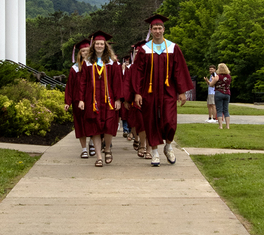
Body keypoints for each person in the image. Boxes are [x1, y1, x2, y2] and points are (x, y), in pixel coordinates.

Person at [131, 13, 192, 167]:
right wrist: (137, 92)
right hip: (149, 92)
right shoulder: (144, 49)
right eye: (154, 28)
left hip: (168, 91)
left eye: (160, 28)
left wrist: (182, 92)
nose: (157, 31)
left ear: (164, 29)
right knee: (151, 121)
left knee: (170, 121)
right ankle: (155, 152)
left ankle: (168, 146)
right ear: (150, 30)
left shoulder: (173, 48)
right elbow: (137, 72)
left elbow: (179, 70)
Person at [76, 30, 124, 166]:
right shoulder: (87, 63)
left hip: (108, 101)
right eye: (97, 43)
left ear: (105, 45)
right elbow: (83, 82)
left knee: (109, 127)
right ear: (93, 46)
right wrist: (81, 99)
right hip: (92, 102)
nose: (99, 46)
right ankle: (99, 157)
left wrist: (118, 99)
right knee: (95, 128)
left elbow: (117, 81)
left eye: (101, 44)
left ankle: (107, 149)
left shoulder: (112, 62)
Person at [65, 40, 93, 158]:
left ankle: (92, 144)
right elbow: (70, 86)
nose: (85, 53)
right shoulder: (75, 68)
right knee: (80, 125)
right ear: (79, 53)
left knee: (92, 123)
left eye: (87, 51)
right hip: (78, 101)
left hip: (91, 99)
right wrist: (68, 101)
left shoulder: (95, 65)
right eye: (82, 51)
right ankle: (84, 149)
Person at [214, 63, 232, 129]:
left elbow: (212, 84)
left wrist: (208, 81)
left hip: (219, 93)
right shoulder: (229, 76)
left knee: (219, 110)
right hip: (227, 93)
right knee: (226, 110)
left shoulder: (218, 76)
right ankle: (227, 126)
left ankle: (220, 126)